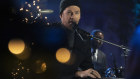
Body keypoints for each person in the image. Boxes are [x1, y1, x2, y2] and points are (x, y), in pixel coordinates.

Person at [44, 0, 101, 79]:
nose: (72, 16)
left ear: (80, 16)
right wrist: (78, 73)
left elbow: (87, 67)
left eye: (76, 13)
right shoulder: (50, 33)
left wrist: (92, 73)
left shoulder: (84, 37)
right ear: (61, 15)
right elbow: (51, 68)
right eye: (69, 12)